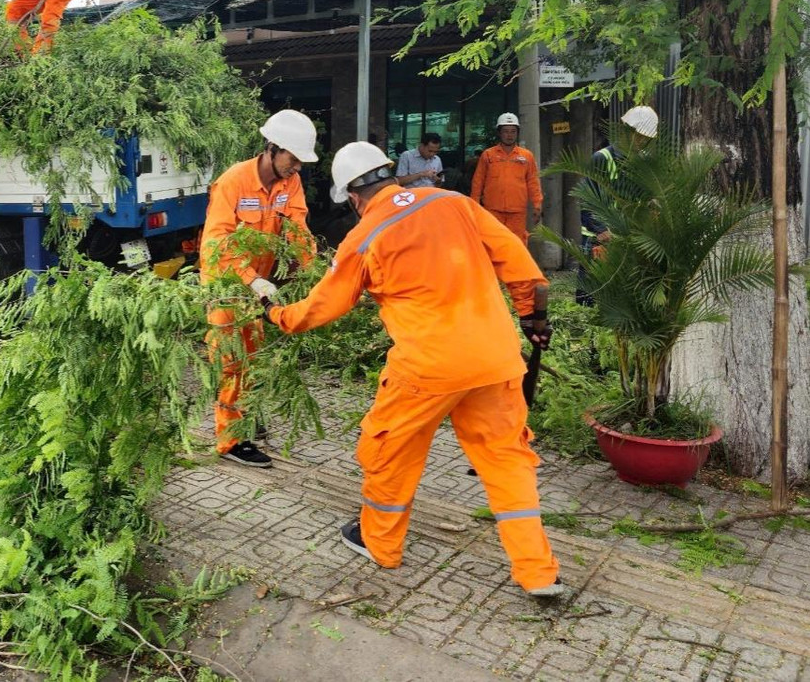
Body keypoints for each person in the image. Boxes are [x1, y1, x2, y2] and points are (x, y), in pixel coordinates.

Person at [267, 142, 563, 598]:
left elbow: (323, 306)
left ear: (352, 196)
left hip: (428, 368)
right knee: (507, 463)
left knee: (390, 451)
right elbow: (520, 264)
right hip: (495, 358)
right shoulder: (456, 202)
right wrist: (531, 318)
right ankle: (538, 573)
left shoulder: (364, 236)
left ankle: (380, 543)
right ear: (390, 174)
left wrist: (277, 314)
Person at [201, 109, 317, 468]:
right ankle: (230, 440)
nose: (296, 166)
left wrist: (315, 271)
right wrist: (251, 279)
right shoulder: (233, 182)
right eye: (292, 158)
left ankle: (245, 414)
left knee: (254, 355)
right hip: (227, 283)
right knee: (233, 359)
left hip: (260, 285)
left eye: (300, 161)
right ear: (273, 147)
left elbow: (297, 226)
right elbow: (217, 241)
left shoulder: (290, 182)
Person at [576, 105, 659, 306]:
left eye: (645, 138)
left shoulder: (643, 162)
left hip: (629, 237)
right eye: (639, 136)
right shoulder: (603, 158)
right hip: (600, 238)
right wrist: (601, 230)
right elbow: (588, 197)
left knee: (623, 296)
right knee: (592, 292)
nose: (642, 142)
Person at [470, 113, 542, 243]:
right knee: (493, 243)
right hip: (492, 210)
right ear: (499, 133)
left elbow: (533, 181)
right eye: (506, 131)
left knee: (516, 243)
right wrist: (474, 204)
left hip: (517, 211)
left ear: (517, 133)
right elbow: (478, 181)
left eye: (513, 131)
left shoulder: (526, 156)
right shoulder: (488, 155)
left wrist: (537, 204)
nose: (510, 135)